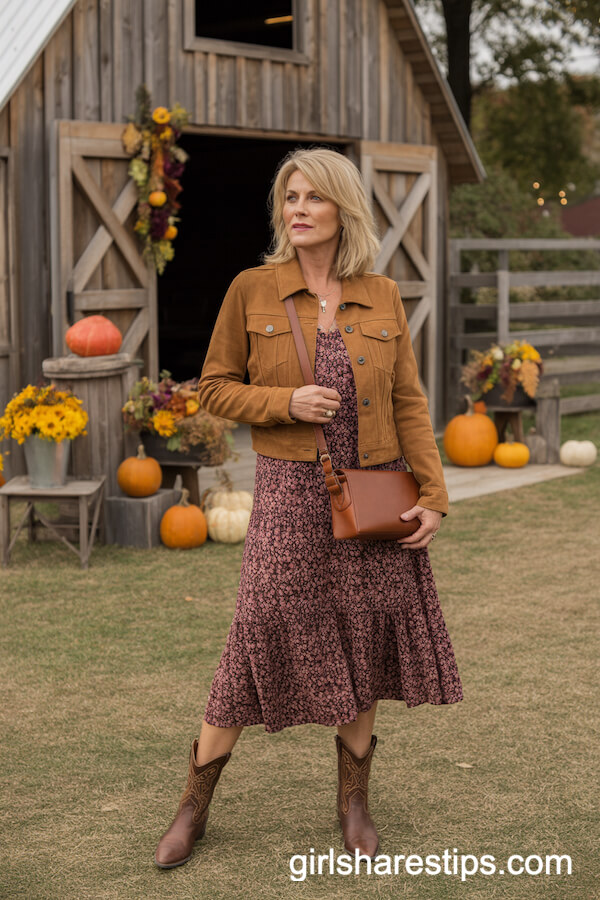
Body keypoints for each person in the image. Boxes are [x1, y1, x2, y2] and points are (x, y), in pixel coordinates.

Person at [154, 147, 462, 869]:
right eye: (289, 197)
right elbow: (214, 388)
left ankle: (354, 800)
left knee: (363, 635)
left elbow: (410, 403)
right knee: (254, 630)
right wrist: (284, 402)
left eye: (312, 198)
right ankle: (191, 805)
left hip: (375, 488)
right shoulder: (252, 290)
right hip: (291, 492)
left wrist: (436, 495)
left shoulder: (381, 294)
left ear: (342, 209)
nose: (296, 208)